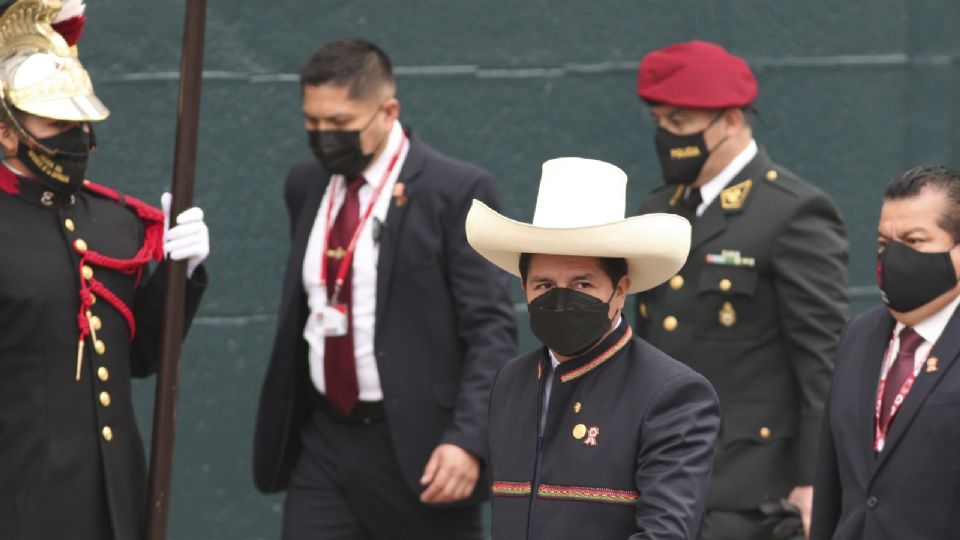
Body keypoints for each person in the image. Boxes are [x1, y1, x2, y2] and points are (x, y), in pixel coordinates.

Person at [252, 38, 517, 539]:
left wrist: (468, 440)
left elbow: (491, 330)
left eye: (340, 125)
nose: (324, 137)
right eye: (313, 123)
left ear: (388, 110)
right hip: (325, 441)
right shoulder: (306, 183)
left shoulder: (456, 190)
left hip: (422, 450)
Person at [0, 1, 210, 539]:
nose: (75, 136)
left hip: (115, 504)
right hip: (22, 504)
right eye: (57, 121)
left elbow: (139, 357)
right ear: (7, 132)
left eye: (80, 120)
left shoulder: (118, 226)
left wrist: (180, 276)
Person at [632, 40, 849, 540]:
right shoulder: (658, 208)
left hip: (749, 487)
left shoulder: (792, 211)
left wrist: (815, 480)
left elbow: (823, 360)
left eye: (680, 123)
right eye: (660, 121)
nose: (666, 135)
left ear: (731, 120)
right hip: (661, 474)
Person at [467, 157, 720, 539]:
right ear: (523, 289)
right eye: (544, 285)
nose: (561, 300)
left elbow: (664, 533)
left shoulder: (673, 393)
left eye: (583, 285)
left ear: (620, 291)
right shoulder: (511, 381)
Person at [811, 166, 960, 540]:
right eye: (883, 244)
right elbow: (831, 481)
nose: (893, 258)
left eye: (913, 241)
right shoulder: (858, 335)